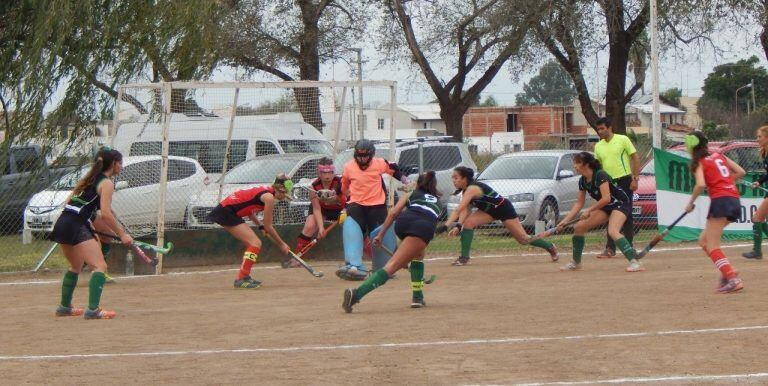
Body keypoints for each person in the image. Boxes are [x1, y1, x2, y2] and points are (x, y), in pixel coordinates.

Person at [49, 147, 131, 320]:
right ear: (114, 164)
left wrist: (97, 228)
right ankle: (93, 310)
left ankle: (64, 307)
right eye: (120, 163)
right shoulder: (107, 183)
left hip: (63, 222)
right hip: (75, 225)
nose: (121, 167)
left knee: (76, 266)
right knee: (100, 266)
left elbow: (90, 211)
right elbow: (107, 214)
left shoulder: (91, 179)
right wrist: (122, 235)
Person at [343, 171, 441, 312]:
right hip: (421, 228)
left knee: (418, 255)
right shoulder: (438, 202)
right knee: (392, 266)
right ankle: (356, 294)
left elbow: (394, 213)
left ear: (419, 184)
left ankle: (418, 297)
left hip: (403, 223)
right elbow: (428, 222)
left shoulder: (412, 193)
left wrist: (381, 234)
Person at [444, 166, 558, 265]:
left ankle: (550, 247)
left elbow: (458, 209)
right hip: (489, 211)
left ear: (464, 178)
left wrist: (446, 225)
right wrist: (458, 226)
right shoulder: (465, 191)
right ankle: (464, 258)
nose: (453, 181)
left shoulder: (472, 189)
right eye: (452, 178)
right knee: (468, 223)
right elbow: (466, 210)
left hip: (503, 209)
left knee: (523, 240)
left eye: (456, 178)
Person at [557, 152, 643, 272]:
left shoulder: (600, 175)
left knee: (613, 231)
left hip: (620, 203)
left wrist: (589, 210)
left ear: (586, 164)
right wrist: (564, 221)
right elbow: (578, 204)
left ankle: (635, 262)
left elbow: (606, 198)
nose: (575, 166)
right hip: (606, 206)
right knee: (579, 227)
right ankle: (576, 263)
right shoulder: (582, 180)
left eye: (577, 163)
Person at [337, 139, 407, 281]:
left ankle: (383, 268)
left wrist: (405, 180)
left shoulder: (379, 163)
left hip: (377, 206)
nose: (362, 160)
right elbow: (343, 187)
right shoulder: (348, 167)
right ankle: (354, 266)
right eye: (359, 156)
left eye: (365, 156)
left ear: (372, 155)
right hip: (356, 205)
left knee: (381, 233)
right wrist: (347, 196)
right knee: (351, 228)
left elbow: (393, 168)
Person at [207, 174, 293, 288]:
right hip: (226, 212)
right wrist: (281, 244)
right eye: (285, 193)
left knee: (252, 244)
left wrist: (260, 226)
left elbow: (249, 210)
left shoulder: (266, 192)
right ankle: (241, 279)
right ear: (281, 190)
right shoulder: (269, 198)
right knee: (255, 243)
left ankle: (245, 276)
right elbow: (269, 226)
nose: (284, 197)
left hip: (228, 211)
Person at [684, 132, 745, 293]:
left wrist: (690, 203)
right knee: (703, 241)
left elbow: (700, 185)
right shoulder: (719, 155)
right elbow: (741, 172)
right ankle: (727, 271)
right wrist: (725, 183)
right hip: (734, 200)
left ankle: (732, 277)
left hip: (721, 201)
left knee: (712, 245)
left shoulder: (700, 162)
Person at [593, 117, 640, 259]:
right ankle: (610, 249)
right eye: (598, 129)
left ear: (610, 127)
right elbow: (598, 167)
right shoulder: (598, 146)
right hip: (609, 184)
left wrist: (635, 178)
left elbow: (635, 158)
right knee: (610, 214)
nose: (600, 131)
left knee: (627, 215)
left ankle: (629, 247)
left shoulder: (623, 139)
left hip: (624, 180)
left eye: (602, 128)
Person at [288, 157, 346, 267]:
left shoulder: (340, 183)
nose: (327, 176)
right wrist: (321, 228)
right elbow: (317, 209)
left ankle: (368, 255)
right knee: (310, 226)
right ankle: (297, 258)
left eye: (330, 172)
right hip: (322, 209)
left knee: (352, 226)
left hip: (341, 209)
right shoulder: (313, 187)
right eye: (324, 173)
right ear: (319, 172)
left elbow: (346, 200)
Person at [742, 125, 768, 259]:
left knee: (756, 218)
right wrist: (759, 182)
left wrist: (760, 181)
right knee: (759, 219)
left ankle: (757, 252)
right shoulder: (765, 152)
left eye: (760, 137)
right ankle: (757, 251)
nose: (757, 139)